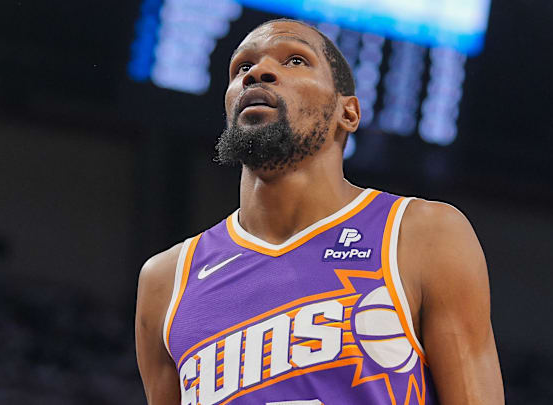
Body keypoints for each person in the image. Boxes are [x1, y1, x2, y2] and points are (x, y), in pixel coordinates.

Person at [135, 18, 504, 405]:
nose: (257, 72)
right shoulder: (165, 282)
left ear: (348, 113)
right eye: (242, 67)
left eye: (294, 60)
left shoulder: (424, 234)